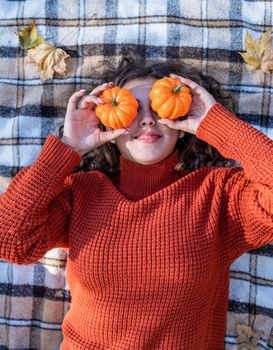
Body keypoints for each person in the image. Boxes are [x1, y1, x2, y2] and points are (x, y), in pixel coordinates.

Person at [0, 51, 272, 350]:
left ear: (181, 123)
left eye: (159, 108)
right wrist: (68, 147)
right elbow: (10, 240)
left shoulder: (219, 195)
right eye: (132, 109)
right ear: (108, 124)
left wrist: (217, 124)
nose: (146, 120)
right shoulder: (81, 194)